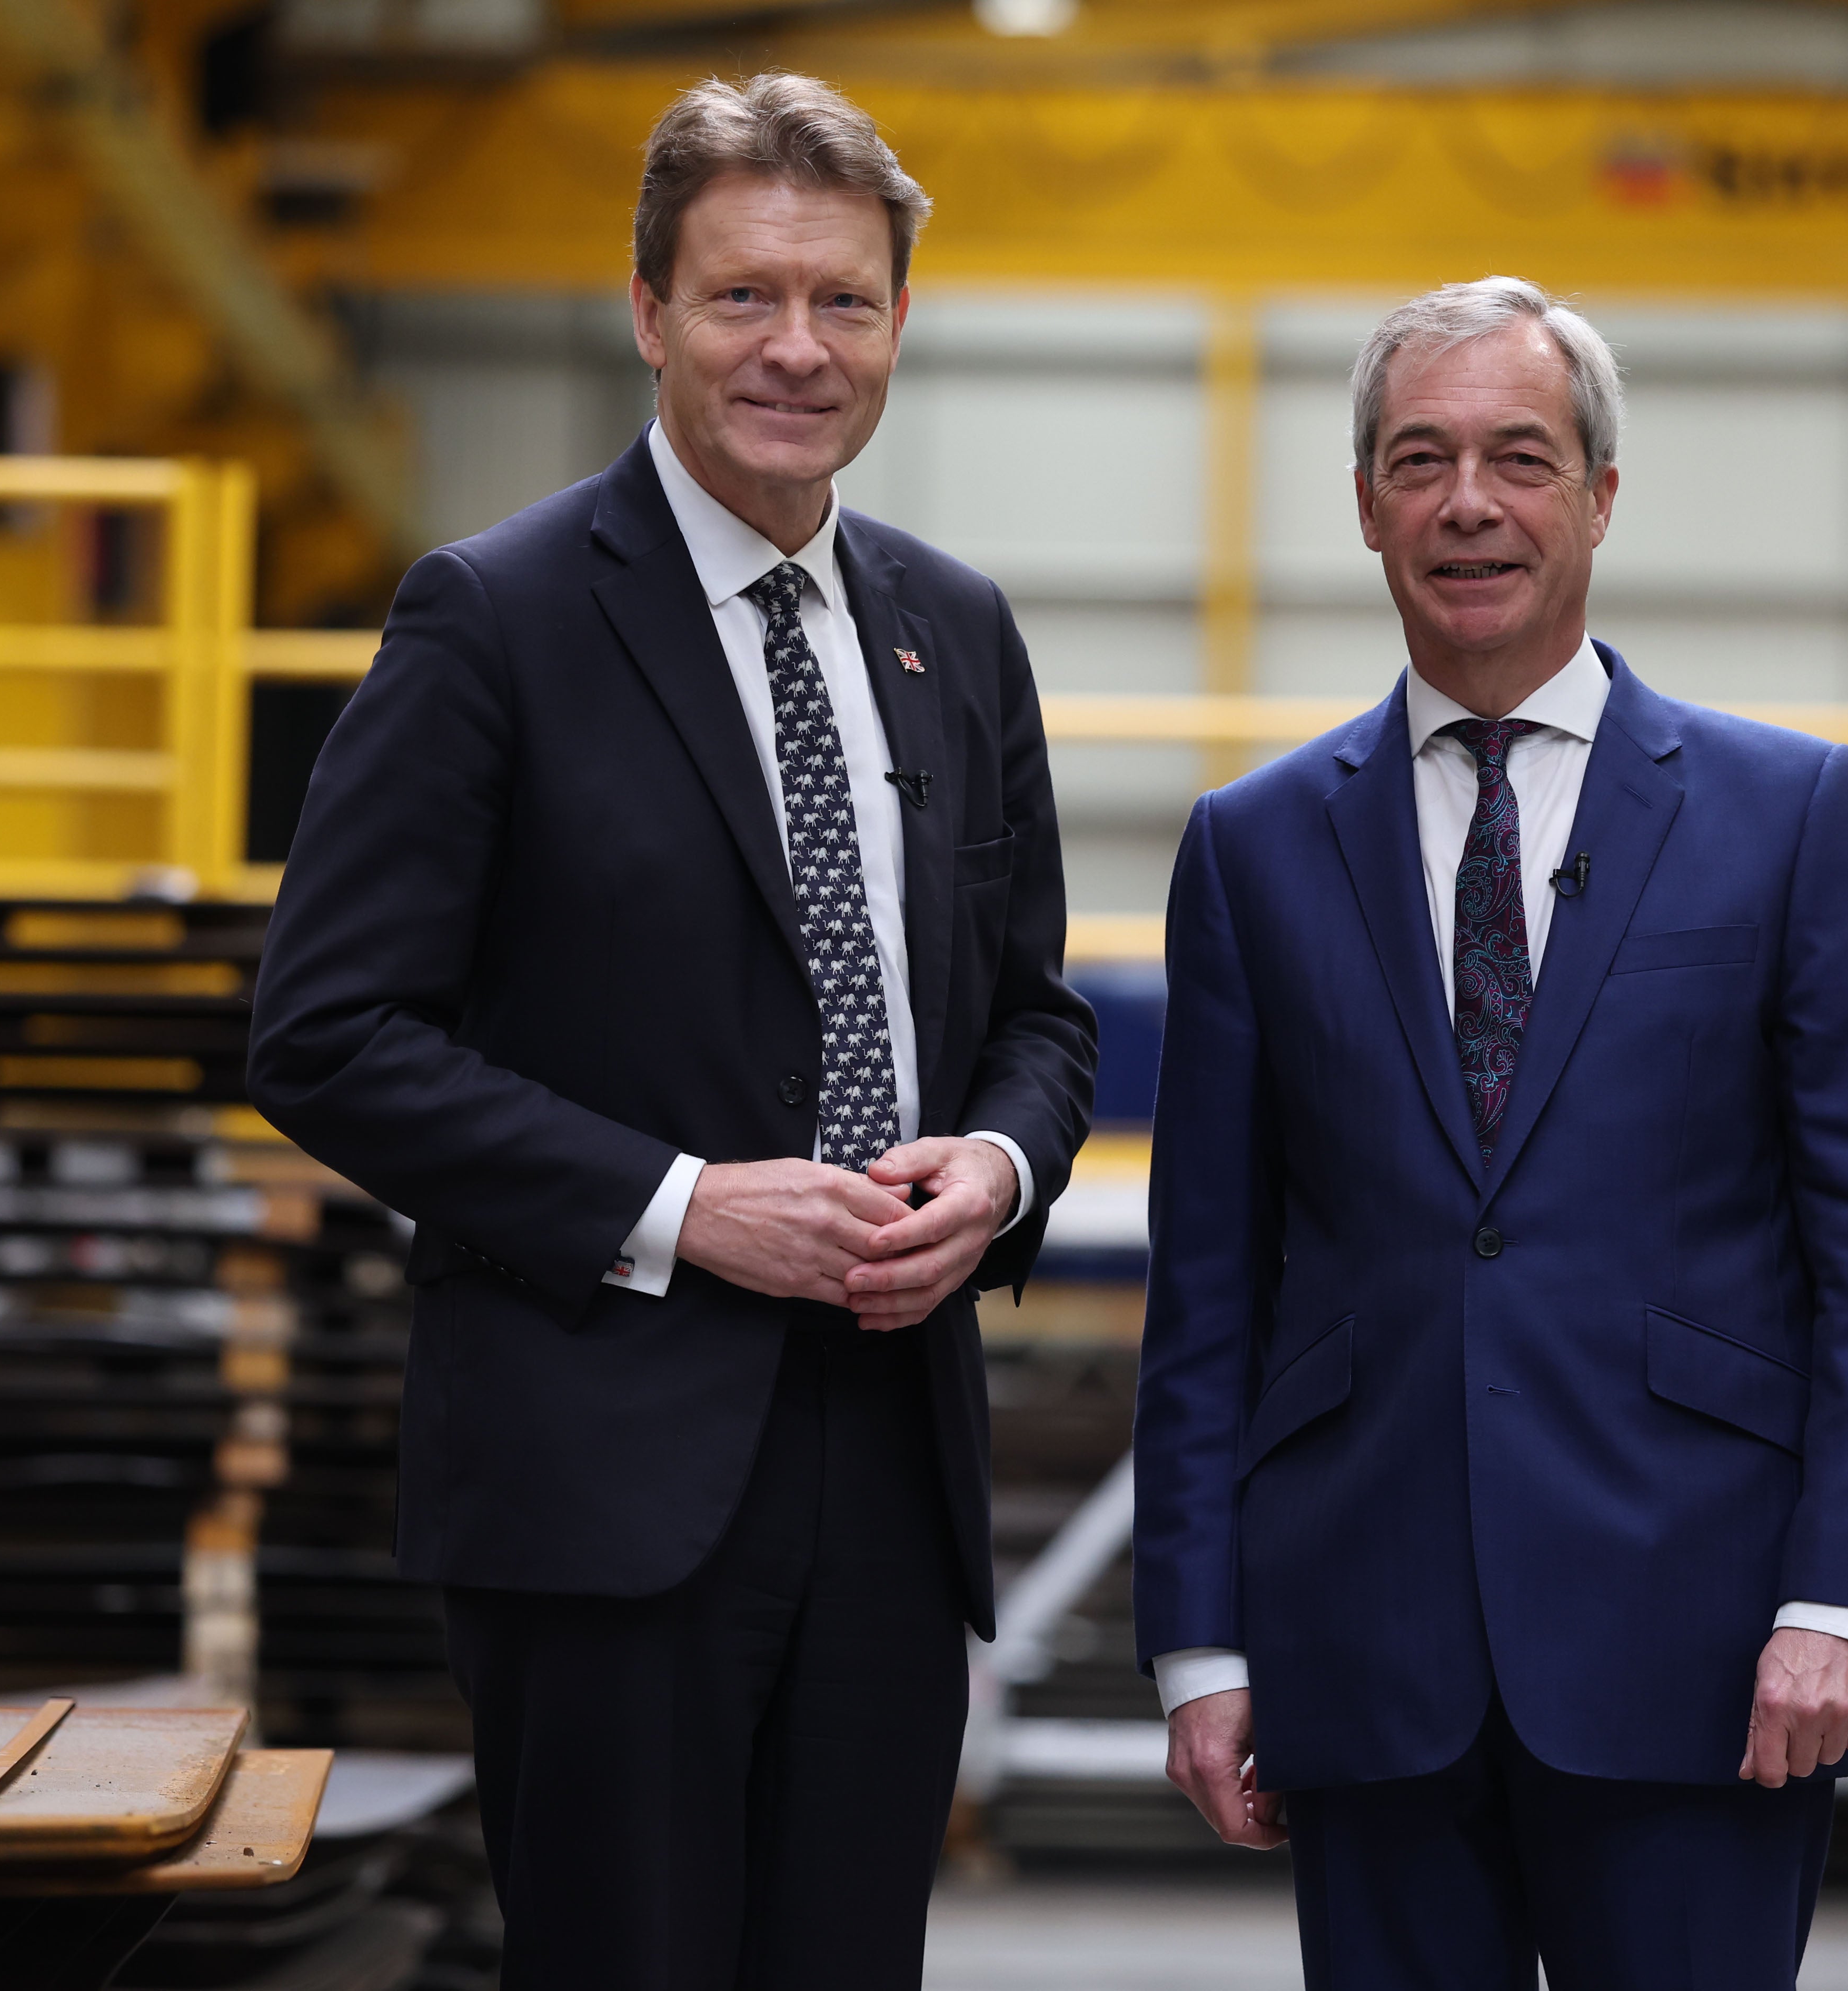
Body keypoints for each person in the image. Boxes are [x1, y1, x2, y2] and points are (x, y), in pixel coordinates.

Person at [246, 73, 1094, 1991]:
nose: (796, 349)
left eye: (845, 303)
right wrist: (679, 1204)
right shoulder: (496, 619)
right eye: (741, 298)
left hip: (890, 1454)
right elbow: (325, 1029)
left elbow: (1032, 1007)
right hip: (606, 1473)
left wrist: (999, 1163)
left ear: (897, 325)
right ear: (647, 311)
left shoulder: (951, 634)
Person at [1130, 277, 1848, 1989]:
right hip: (1364, 1660)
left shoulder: (1785, 812)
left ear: (1598, 496)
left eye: (1521, 457)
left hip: (1711, 1653)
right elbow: (1206, 1286)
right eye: (1418, 459)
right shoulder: (1251, 846)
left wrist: (1846, 1602)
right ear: (1364, 504)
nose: (1467, 503)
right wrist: (1198, 1644)